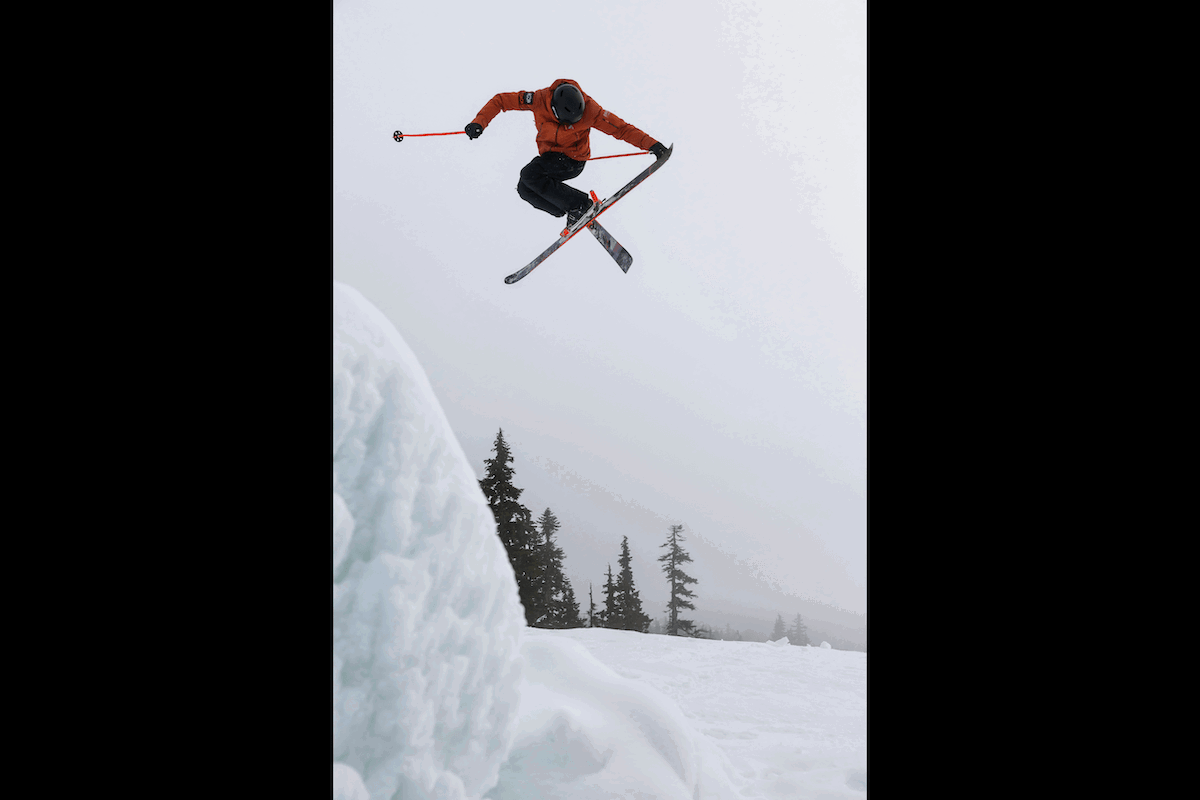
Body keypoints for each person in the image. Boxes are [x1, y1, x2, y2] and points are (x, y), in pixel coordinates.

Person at [465, 79, 668, 229]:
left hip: (572, 161)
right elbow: (501, 101)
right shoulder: (537, 99)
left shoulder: (592, 111)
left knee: (530, 174)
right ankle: (567, 211)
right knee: (524, 189)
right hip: (549, 159)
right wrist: (479, 122)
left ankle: (581, 205)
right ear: (553, 109)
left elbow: (622, 129)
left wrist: (653, 145)